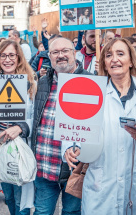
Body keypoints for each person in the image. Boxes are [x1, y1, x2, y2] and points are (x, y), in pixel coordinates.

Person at [65, 38, 136, 214]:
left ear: (131, 61)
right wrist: (71, 149)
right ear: (103, 62)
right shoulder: (92, 94)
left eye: (120, 54)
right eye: (109, 55)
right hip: (101, 187)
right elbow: (76, 131)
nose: (114, 59)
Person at [32, 37, 91, 215]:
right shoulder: (41, 83)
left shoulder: (91, 83)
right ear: (49, 56)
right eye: (55, 52)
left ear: (74, 52)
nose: (61, 56)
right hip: (44, 166)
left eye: (65, 51)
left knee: (72, 213)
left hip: (75, 168)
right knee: (41, 212)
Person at [0, 40, 37, 215]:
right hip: (0, 147)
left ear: (19, 58)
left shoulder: (31, 83)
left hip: (22, 146)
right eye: (3, 55)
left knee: (22, 199)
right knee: (9, 197)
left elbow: (35, 117)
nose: (8, 59)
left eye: (12, 55)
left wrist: (21, 128)